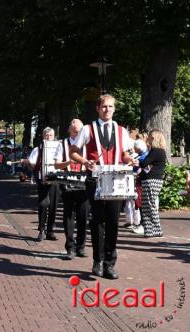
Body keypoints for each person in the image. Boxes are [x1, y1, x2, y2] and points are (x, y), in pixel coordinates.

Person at [70, 94, 134, 280]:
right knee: (97, 220)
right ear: (98, 108)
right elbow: (73, 152)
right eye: (104, 106)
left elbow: (126, 153)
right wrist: (85, 162)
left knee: (113, 222)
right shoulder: (88, 129)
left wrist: (129, 160)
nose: (108, 110)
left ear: (114, 109)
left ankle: (109, 263)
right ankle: (97, 261)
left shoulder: (122, 131)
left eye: (111, 107)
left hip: (116, 181)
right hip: (95, 179)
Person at [54, 119, 90, 260]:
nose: (78, 134)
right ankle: (70, 247)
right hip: (67, 182)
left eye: (80, 131)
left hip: (84, 183)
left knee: (83, 215)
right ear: (69, 130)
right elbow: (56, 165)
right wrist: (68, 162)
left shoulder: (87, 145)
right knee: (69, 215)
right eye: (75, 131)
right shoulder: (62, 144)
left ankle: (81, 246)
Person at [23, 127, 60, 242]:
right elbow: (33, 166)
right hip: (42, 179)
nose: (48, 137)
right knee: (43, 204)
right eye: (46, 135)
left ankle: (50, 231)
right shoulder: (37, 149)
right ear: (43, 136)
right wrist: (28, 162)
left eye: (50, 135)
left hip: (55, 179)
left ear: (54, 137)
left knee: (53, 205)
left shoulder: (59, 148)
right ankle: (41, 230)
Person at [132, 129, 167, 238]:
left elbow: (144, 162)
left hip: (152, 180)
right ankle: (149, 230)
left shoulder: (157, 151)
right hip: (151, 180)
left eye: (150, 137)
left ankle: (156, 229)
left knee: (150, 205)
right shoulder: (157, 151)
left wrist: (137, 162)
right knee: (147, 205)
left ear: (154, 138)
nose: (148, 139)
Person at [124, 139, 148, 230]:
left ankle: (139, 222)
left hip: (139, 181)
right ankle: (135, 221)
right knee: (134, 201)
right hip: (136, 180)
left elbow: (137, 167)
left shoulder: (143, 157)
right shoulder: (140, 156)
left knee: (138, 201)